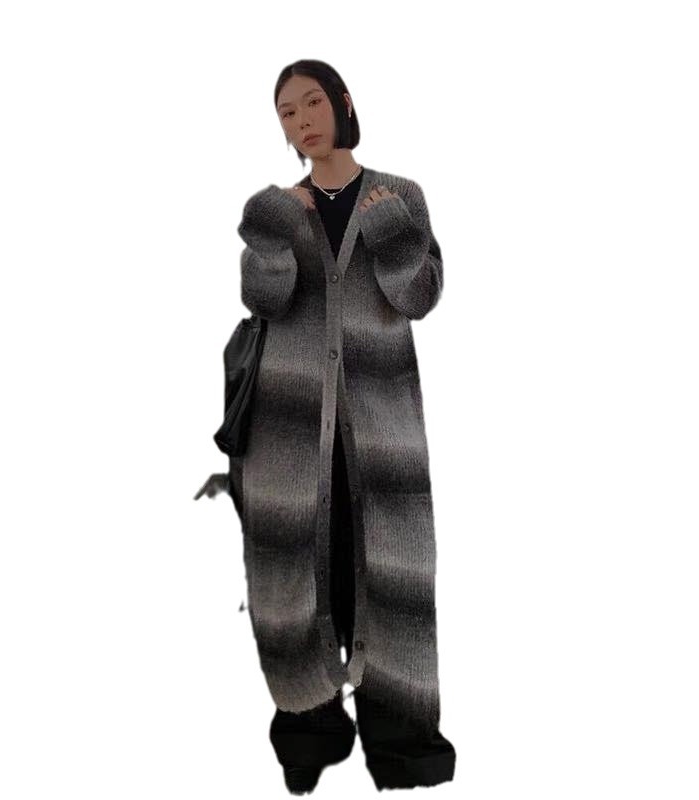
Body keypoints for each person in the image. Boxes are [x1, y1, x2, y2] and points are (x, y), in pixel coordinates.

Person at [230, 59, 455, 794]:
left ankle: (403, 745)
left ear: (343, 102)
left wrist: (389, 229)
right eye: (287, 113)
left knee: (390, 574)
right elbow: (264, 299)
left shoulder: (400, 197)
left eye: (312, 102)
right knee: (294, 578)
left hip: (381, 430)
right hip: (290, 431)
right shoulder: (279, 208)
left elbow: (419, 296)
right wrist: (271, 231)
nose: (302, 121)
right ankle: (309, 732)